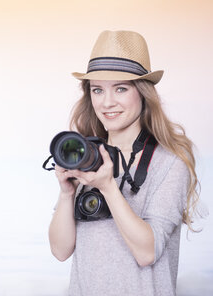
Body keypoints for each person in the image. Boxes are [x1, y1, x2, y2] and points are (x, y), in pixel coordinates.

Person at [48, 30, 199, 296]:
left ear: (143, 93)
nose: (107, 102)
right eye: (97, 89)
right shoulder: (87, 157)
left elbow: (147, 252)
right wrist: (66, 192)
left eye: (121, 88)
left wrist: (107, 187)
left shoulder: (170, 163)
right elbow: (60, 251)